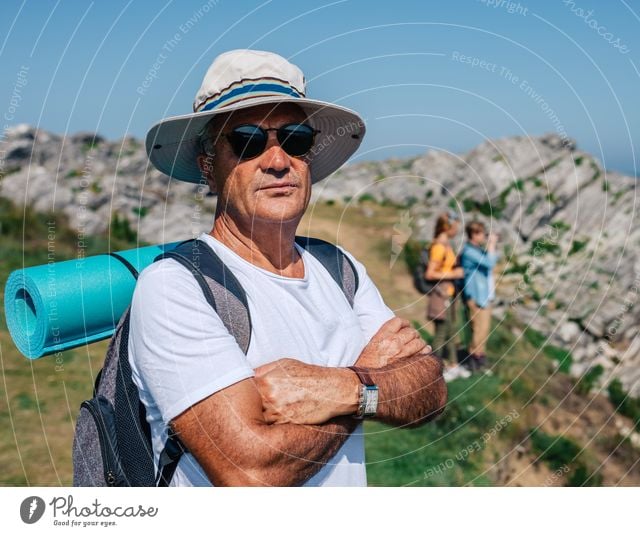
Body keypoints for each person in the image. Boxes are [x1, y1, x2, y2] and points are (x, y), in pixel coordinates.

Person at [131, 49, 447, 486]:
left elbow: (430, 391)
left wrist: (344, 389)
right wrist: (373, 381)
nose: (278, 160)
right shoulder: (176, 288)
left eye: (295, 138)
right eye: (246, 139)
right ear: (209, 167)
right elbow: (251, 472)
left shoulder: (339, 268)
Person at [425, 212, 468, 382]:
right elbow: (430, 274)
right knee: (442, 333)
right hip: (441, 295)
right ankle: (432, 368)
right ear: (447, 227)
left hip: (448, 294)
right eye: (455, 226)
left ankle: (451, 365)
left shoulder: (445, 245)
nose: (457, 229)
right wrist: (454, 273)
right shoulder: (439, 247)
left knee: (450, 331)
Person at [460, 221, 499, 372]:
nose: (484, 236)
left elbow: (494, 259)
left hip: (485, 296)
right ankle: (472, 360)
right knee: (477, 330)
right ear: (474, 234)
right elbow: (489, 263)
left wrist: (491, 246)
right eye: (482, 233)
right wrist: (491, 244)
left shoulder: (478, 250)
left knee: (484, 330)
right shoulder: (469, 252)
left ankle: (480, 356)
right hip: (476, 297)